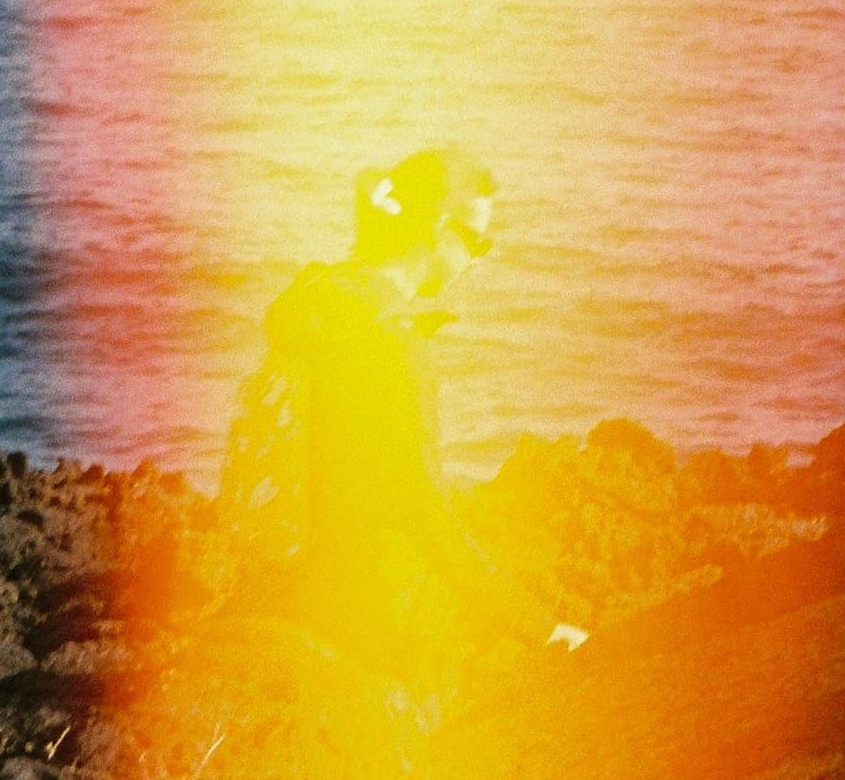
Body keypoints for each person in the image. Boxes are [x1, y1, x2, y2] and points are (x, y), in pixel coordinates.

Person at [207, 151, 585, 759]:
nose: (477, 261)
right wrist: (539, 625)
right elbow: (424, 509)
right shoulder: (395, 347)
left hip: (291, 576)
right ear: (440, 230)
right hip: (366, 619)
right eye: (479, 243)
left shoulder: (325, 301)